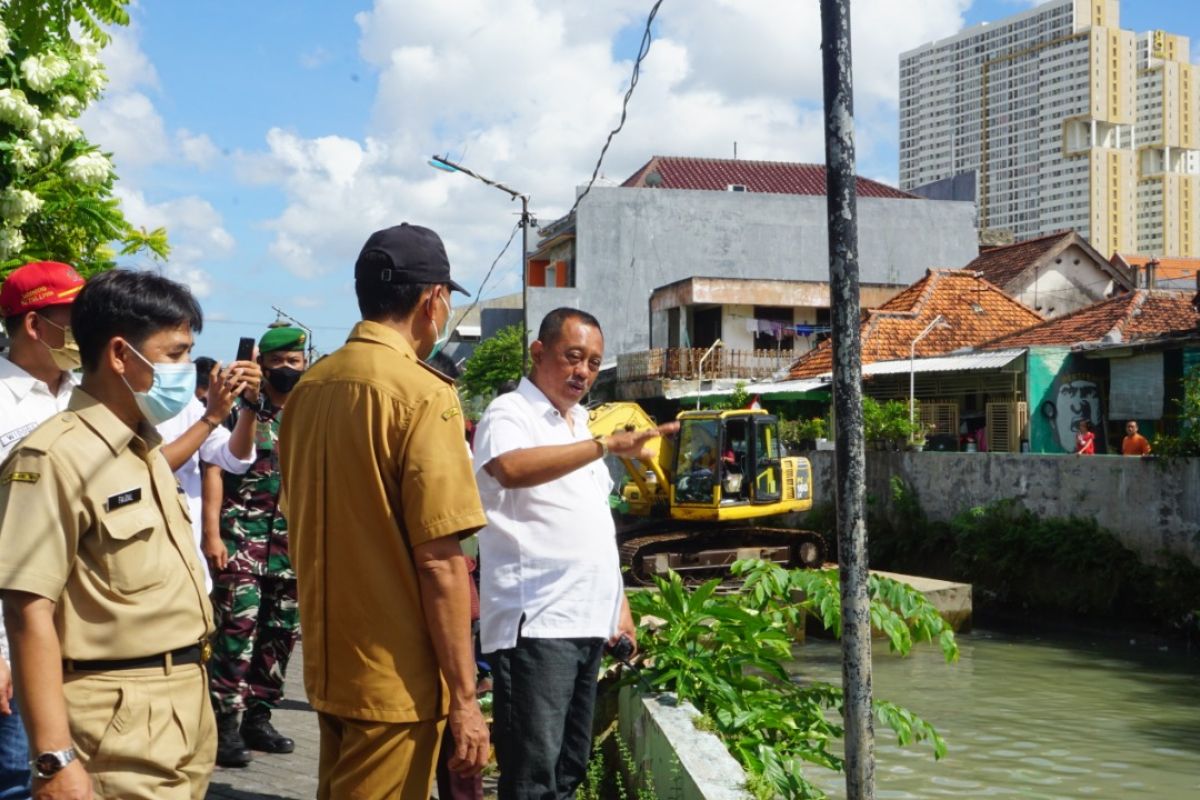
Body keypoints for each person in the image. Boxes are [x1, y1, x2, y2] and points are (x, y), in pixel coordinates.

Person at [278, 223, 490, 799]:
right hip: (396, 683)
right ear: (433, 300)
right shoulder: (425, 395)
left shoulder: (308, 389)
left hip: (329, 666)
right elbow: (441, 562)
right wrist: (466, 700)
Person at [0, 268, 216, 799]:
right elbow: (29, 610)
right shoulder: (53, 456)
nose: (185, 370)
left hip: (184, 704)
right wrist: (53, 758)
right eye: (174, 354)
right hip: (115, 719)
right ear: (121, 354)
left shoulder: (141, 448)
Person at [473, 308, 675, 800]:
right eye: (573, 357)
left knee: (568, 770)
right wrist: (604, 445)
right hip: (538, 624)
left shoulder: (580, 425)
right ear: (538, 353)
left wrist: (619, 608)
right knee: (532, 777)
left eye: (593, 363)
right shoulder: (510, 413)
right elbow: (510, 468)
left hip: (586, 622)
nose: (582, 372)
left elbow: (596, 531)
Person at [0, 261, 85, 800]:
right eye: (74, 318)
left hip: (84, 638)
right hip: (13, 639)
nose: (86, 331)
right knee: (18, 780)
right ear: (35, 324)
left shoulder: (90, 394)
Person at [206, 326, 307, 768]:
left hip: (291, 549)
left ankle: (258, 718)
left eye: (294, 361)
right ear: (261, 364)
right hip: (241, 542)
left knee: (279, 638)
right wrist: (211, 534)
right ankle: (224, 724)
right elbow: (214, 469)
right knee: (236, 637)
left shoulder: (309, 412)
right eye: (278, 361)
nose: (287, 369)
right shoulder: (241, 410)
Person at [157, 356, 261, 589]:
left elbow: (235, 458)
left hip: (187, 570)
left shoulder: (186, 405)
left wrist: (249, 407)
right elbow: (150, 470)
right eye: (175, 354)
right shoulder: (110, 406)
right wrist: (212, 417)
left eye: (187, 352)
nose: (186, 362)